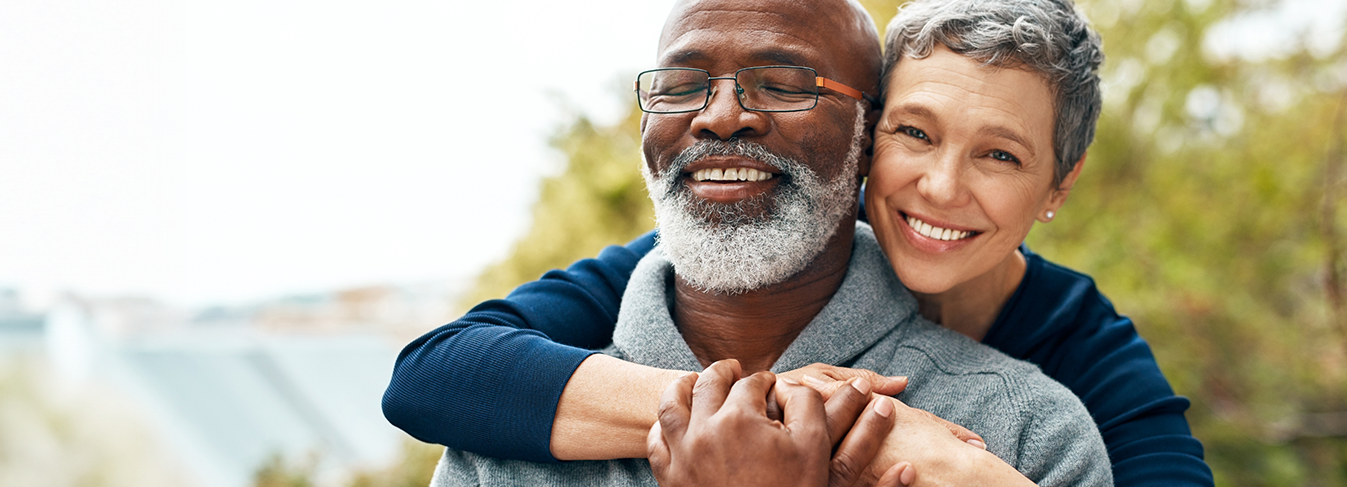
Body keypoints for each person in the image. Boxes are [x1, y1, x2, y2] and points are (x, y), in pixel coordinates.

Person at [419, 0, 1113, 485]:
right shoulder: (503, 442)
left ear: (867, 134)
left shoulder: (1030, 437)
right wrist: (757, 406)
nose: (720, 117)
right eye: (683, 85)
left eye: (783, 85)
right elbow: (427, 370)